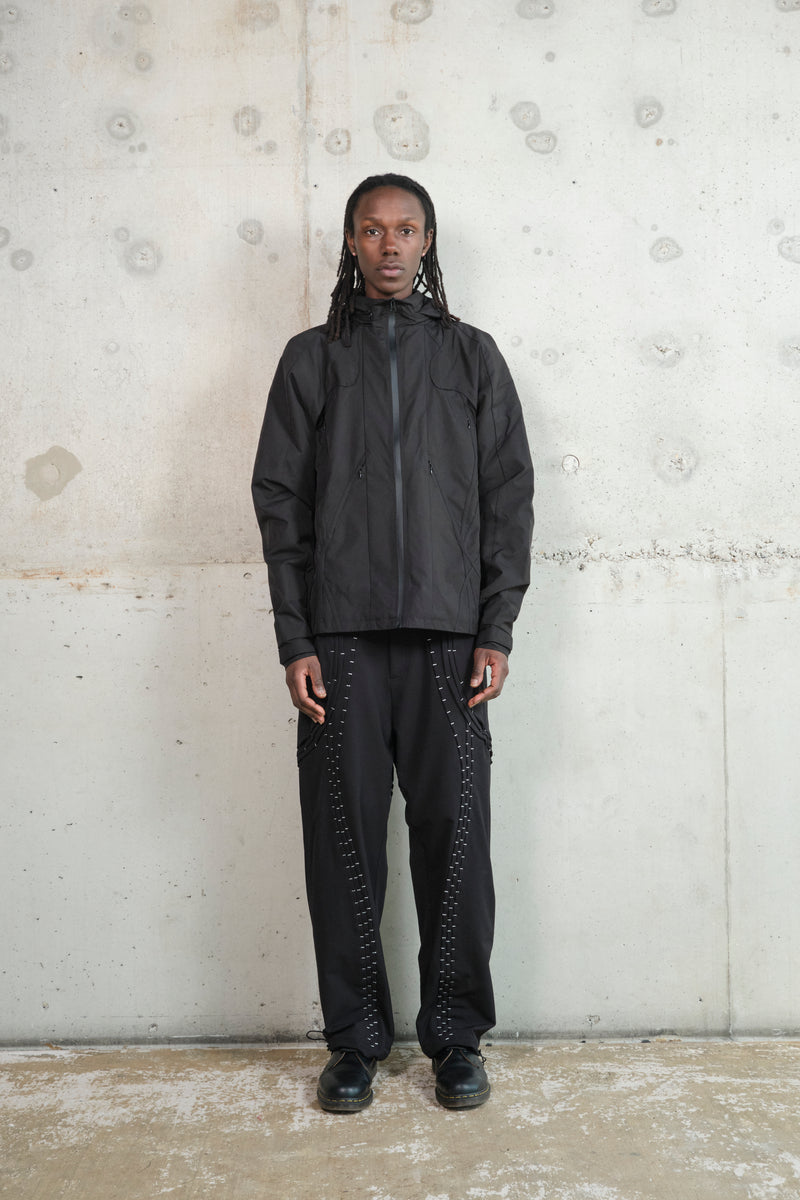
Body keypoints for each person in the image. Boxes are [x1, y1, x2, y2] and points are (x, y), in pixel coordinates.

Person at [252, 173, 534, 1112]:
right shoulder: (309, 361)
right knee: (344, 850)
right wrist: (296, 637)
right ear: (349, 242)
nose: (389, 245)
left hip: (450, 649)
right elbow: (280, 503)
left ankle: (456, 1041)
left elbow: (509, 500)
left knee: (457, 844)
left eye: (406, 229)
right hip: (340, 646)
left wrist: (495, 627)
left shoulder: (473, 358)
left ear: (428, 243)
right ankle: (354, 1044)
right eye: (371, 229)